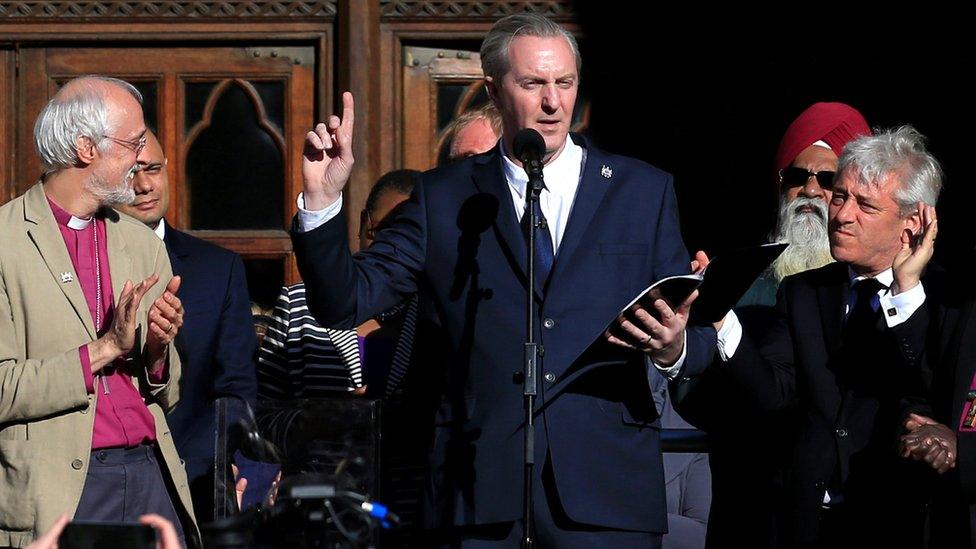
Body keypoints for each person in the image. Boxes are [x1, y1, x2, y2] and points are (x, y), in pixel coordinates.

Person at [290, 13, 715, 546]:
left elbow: (695, 337)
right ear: (493, 89)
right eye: (533, 83)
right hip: (476, 494)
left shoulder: (641, 191)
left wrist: (673, 347)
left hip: (606, 494)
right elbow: (342, 301)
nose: (553, 102)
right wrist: (324, 202)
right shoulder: (443, 198)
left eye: (564, 82)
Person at [691, 126, 940, 548]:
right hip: (802, 526)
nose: (840, 214)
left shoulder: (946, 301)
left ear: (912, 222)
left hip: (895, 525)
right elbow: (773, 394)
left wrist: (906, 293)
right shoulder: (804, 291)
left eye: (865, 205)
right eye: (841, 196)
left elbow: (924, 388)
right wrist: (721, 319)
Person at [0, 76, 197, 546]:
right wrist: (104, 349)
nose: (140, 157)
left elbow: (168, 392)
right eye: (131, 143)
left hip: (152, 472)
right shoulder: (5, 242)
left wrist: (155, 349)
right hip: (62, 491)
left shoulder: (140, 243)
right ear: (87, 147)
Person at [674, 102, 871, 548]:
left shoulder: (881, 288)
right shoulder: (740, 280)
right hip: (756, 516)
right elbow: (695, 399)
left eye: (827, 180)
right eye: (796, 177)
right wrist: (697, 324)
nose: (810, 191)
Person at [115, 130, 259, 522]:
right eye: (132, 172)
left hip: (194, 481)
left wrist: (223, 464)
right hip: (101, 481)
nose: (144, 185)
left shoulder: (218, 269)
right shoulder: (88, 261)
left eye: (154, 169)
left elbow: (236, 387)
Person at [257, 169, 421, 399]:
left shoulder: (440, 310)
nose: (394, 247)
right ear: (364, 224)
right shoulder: (298, 305)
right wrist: (325, 416)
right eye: (385, 231)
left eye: (407, 236)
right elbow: (262, 412)